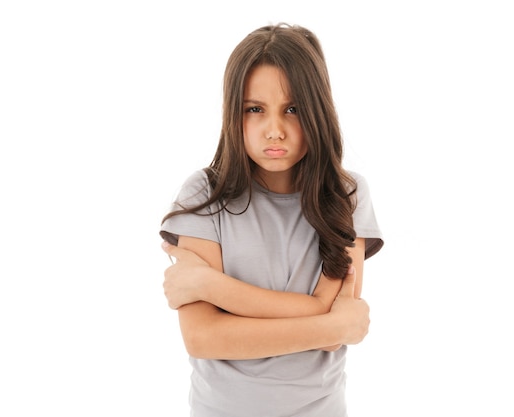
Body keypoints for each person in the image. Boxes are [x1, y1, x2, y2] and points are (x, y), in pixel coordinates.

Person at [159, 23, 384, 417]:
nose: (274, 130)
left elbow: (340, 331)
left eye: (292, 109)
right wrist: (325, 319)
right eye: (255, 109)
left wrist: (210, 285)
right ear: (234, 112)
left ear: (317, 110)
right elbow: (205, 337)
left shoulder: (347, 195)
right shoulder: (203, 196)